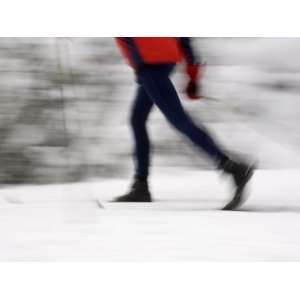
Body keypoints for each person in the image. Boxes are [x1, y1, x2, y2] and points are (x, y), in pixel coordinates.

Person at [114, 37, 254, 210]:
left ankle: (232, 167)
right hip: (163, 59)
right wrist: (193, 75)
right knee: (138, 119)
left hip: (150, 63)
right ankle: (140, 185)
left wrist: (140, 66)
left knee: (178, 119)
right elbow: (184, 37)